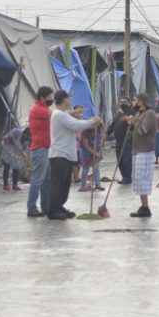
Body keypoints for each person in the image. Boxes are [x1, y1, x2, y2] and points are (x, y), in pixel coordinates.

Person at [47, 90, 101, 220]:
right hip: (60, 155)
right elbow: (76, 125)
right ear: (64, 100)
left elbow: (67, 114)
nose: (70, 101)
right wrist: (92, 121)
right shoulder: (59, 115)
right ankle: (53, 210)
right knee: (58, 184)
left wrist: (74, 112)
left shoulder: (60, 113)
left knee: (64, 185)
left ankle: (59, 207)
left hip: (65, 155)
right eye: (68, 98)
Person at [126, 93, 157, 217]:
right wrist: (131, 123)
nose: (133, 103)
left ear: (141, 102)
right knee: (138, 179)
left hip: (145, 150)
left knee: (143, 178)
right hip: (137, 150)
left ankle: (146, 207)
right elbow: (135, 130)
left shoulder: (149, 114)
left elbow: (143, 130)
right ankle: (143, 206)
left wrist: (134, 121)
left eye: (135, 100)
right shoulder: (139, 114)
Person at [26, 86, 54, 218]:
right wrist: (71, 112)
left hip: (46, 148)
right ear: (42, 98)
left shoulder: (43, 108)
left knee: (47, 180)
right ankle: (31, 208)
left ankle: (46, 207)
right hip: (40, 149)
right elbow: (55, 114)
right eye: (49, 97)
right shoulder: (39, 109)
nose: (51, 100)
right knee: (37, 179)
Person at [110, 98, 134, 184]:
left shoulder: (132, 111)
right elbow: (113, 123)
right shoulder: (119, 112)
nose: (123, 103)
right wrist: (107, 133)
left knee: (126, 159)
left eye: (125, 102)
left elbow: (134, 123)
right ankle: (124, 176)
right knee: (119, 160)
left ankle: (128, 177)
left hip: (127, 140)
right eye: (121, 102)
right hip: (118, 140)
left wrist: (128, 118)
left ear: (128, 102)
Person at [78, 123, 104, 192]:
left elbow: (101, 123)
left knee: (96, 167)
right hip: (86, 151)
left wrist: (104, 133)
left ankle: (98, 185)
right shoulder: (85, 132)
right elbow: (86, 146)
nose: (95, 128)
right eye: (93, 126)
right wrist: (95, 153)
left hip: (96, 148)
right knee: (86, 168)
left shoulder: (98, 126)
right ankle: (83, 186)